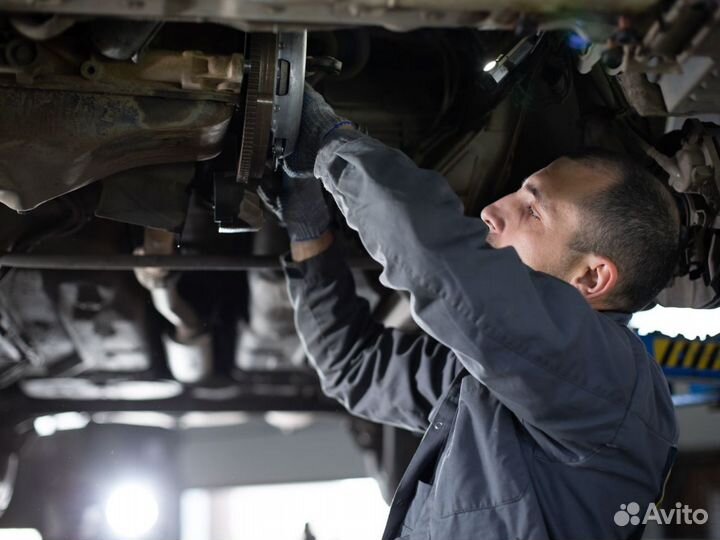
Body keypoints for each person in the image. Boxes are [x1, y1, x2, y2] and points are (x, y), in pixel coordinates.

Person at [269, 85, 681, 540]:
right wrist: (309, 232)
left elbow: (440, 267)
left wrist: (331, 145)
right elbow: (356, 369)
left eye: (532, 211)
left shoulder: (609, 377)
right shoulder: (510, 384)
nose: (490, 210)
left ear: (591, 278)